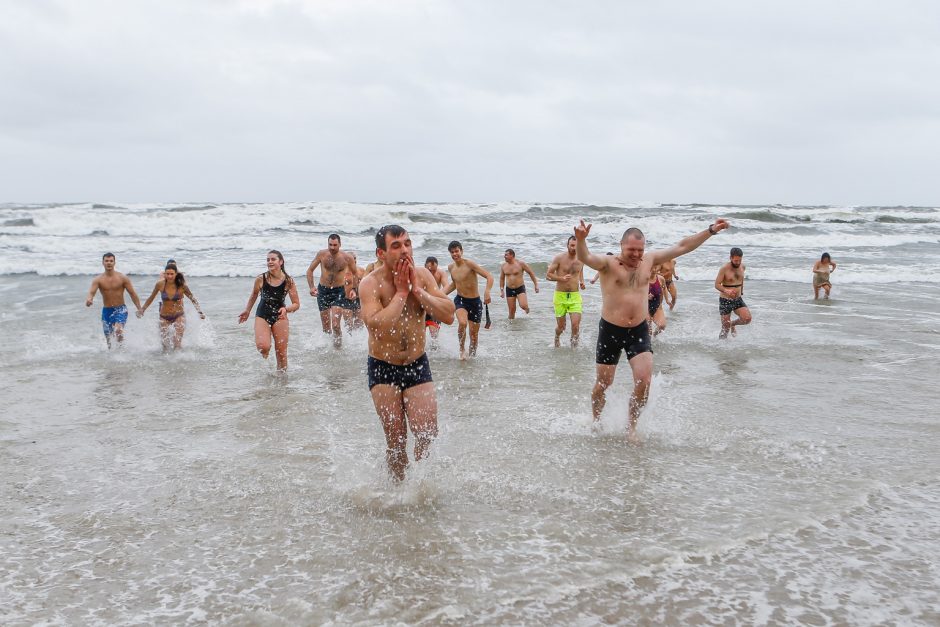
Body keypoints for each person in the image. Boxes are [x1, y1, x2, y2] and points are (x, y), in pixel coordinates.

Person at [576, 218, 730, 442]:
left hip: (638, 329)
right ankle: (596, 421)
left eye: (640, 250)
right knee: (603, 384)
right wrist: (581, 240)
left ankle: (631, 428)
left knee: (644, 381)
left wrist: (710, 231)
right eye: (631, 250)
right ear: (621, 246)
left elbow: (682, 246)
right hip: (610, 329)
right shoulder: (607, 264)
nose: (636, 255)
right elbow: (585, 257)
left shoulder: (649, 261)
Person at [359, 225, 455, 481]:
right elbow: (376, 328)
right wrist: (401, 294)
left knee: (427, 433)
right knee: (396, 439)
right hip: (383, 367)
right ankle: (398, 491)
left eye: (407, 243)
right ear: (381, 252)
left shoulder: (422, 276)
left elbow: (448, 315)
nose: (404, 250)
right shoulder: (370, 283)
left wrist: (416, 290)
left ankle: (420, 488)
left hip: (416, 363)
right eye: (396, 245)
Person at [238, 250, 300, 371]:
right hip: (262, 314)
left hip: (280, 315)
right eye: (268, 260)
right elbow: (254, 295)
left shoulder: (289, 281)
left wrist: (286, 309)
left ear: (281, 262)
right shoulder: (261, 278)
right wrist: (247, 311)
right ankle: (266, 358)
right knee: (263, 346)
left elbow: (296, 304)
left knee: (281, 352)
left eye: (273, 259)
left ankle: (282, 380)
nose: (270, 262)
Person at [139, 260, 205, 351]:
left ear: (176, 274)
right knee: (165, 346)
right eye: (167, 274)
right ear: (164, 274)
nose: (169, 276)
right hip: (164, 317)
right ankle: (166, 363)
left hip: (178, 315)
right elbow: (151, 297)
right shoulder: (160, 284)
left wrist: (200, 312)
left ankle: (179, 362)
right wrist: (143, 309)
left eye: (171, 274)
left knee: (176, 342)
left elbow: (192, 299)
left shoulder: (182, 286)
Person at [444, 241, 494, 359]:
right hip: (461, 300)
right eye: (452, 252)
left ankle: (472, 357)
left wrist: (487, 291)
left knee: (474, 335)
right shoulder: (451, 267)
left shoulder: (469, 264)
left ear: (461, 251)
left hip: (475, 302)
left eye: (457, 251)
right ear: (450, 253)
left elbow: (489, 276)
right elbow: (454, 284)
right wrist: (439, 295)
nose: (455, 254)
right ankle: (462, 350)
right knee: (462, 322)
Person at [85, 252, 143, 349]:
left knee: (118, 331)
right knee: (109, 339)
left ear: (114, 263)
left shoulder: (122, 278)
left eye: (111, 261)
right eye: (106, 261)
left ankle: (121, 351)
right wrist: (89, 299)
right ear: (102, 263)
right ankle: (112, 356)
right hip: (106, 311)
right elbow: (91, 292)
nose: (109, 263)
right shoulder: (98, 280)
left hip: (121, 309)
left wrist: (139, 308)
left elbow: (132, 293)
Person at [306, 234, 356, 347]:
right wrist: (311, 287)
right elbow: (310, 270)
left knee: (336, 325)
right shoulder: (321, 254)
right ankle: (329, 350)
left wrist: (353, 289)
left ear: (340, 244)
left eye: (335, 245)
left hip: (339, 291)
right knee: (326, 328)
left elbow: (355, 273)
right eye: (330, 245)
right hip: (323, 291)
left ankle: (338, 348)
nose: (332, 247)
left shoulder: (347, 257)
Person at [547, 236, 586, 347]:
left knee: (575, 325)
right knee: (561, 327)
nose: (574, 248)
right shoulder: (559, 258)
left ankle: (574, 349)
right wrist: (561, 278)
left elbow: (580, 270)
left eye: (576, 246)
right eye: (572, 245)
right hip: (560, 296)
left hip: (575, 296)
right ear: (567, 245)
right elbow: (548, 275)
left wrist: (582, 281)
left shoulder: (582, 258)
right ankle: (557, 337)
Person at [715, 246, 752, 339]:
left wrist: (741, 291)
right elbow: (717, 284)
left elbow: (741, 280)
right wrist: (726, 290)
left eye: (739, 260)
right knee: (725, 328)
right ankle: (721, 347)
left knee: (747, 319)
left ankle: (732, 324)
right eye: (736, 261)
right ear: (730, 258)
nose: (738, 263)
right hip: (725, 300)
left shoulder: (743, 266)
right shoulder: (724, 268)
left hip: (737, 299)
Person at [499, 249, 540, 319]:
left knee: (523, 306)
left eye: (506, 255)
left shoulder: (521, 264)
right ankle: (511, 327)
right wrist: (502, 290)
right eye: (504, 255)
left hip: (520, 288)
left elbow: (531, 273)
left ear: (512, 255)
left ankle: (527, 310)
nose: (504, 256)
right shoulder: (503, 266)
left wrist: (536, 285)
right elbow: (502, 278)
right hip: (509, 289)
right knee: (511, 311)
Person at [424, 256, 449, 343]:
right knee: (418, 335)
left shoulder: (440, 273)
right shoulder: (419, 273)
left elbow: (446, 286)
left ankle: (434, 354)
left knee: (434, 335)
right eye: (429, 270)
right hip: (421, 305)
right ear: (425, 267)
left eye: (434, 270)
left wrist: (438, 296)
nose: (431, 273)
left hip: (434, 305)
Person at [648, 265, 667, 336]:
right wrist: (645, 296)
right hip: (644, 306)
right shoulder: (643, 279)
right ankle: (648, 343)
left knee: (662, 326)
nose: (654, 270)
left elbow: (663, 290)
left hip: (657, 305)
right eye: (652, 268)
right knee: (648, 329)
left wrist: (663, 302)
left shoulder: (661, 279)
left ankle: (654, 335)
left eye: (655, 268)